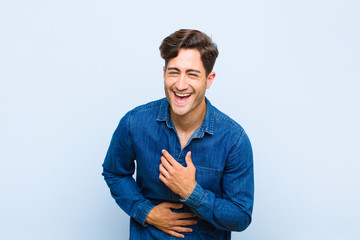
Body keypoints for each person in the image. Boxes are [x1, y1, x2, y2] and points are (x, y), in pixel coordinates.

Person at [102, 29, 254, 240]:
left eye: (192, 74)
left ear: (209, 79)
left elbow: (240, 217)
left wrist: (192, 192)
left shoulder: (234, 140)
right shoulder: (134, 122)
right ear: (164, 73)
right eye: (174, 72)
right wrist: (146, 212)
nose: (180, 85)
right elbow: (114, 172)